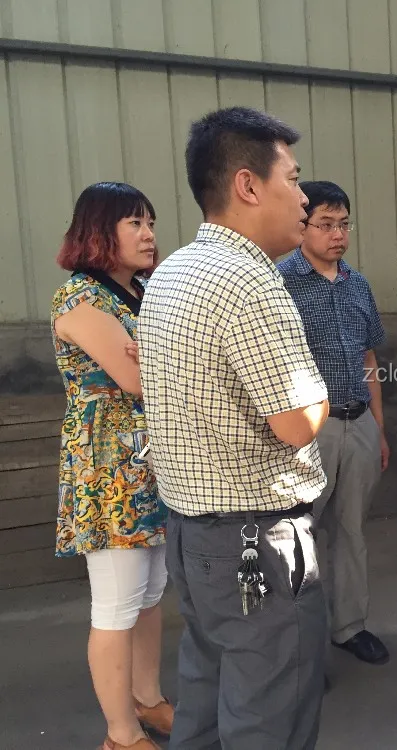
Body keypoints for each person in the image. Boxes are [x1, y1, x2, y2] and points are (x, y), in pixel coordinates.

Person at [136, 107, 330, 749]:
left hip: (194, 535)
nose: (303, 199)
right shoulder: (251, 282)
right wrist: (322, 388)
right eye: (292, 179)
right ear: (248, 185)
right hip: (256, 540)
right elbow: (297, 423)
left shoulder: (173, 271)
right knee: (270, 711)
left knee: (207, 699)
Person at [51, 182, 173, 750]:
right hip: (108, 471)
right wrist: (165, 356)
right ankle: (120, 734)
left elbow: (157, 364)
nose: (149, 234)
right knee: (117, 603)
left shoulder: (142, 291)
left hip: (152, 464)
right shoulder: (80, 298)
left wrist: (156, 353)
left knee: (150, 594)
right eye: (134, 223)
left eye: (150, 222)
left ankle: (148, 700)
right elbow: (136, 379)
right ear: (99, 231)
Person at [277, 181, 390, 665]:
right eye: (325, 224)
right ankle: (295, 644)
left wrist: (378, 428)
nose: (337, 235)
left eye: (343, 225)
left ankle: (349, 627)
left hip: (357, 421)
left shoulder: (357, 285)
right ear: (302, 227)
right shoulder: (279, 283)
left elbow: (369, 359)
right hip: (306, 432)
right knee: (295, 536)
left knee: (351, 531)